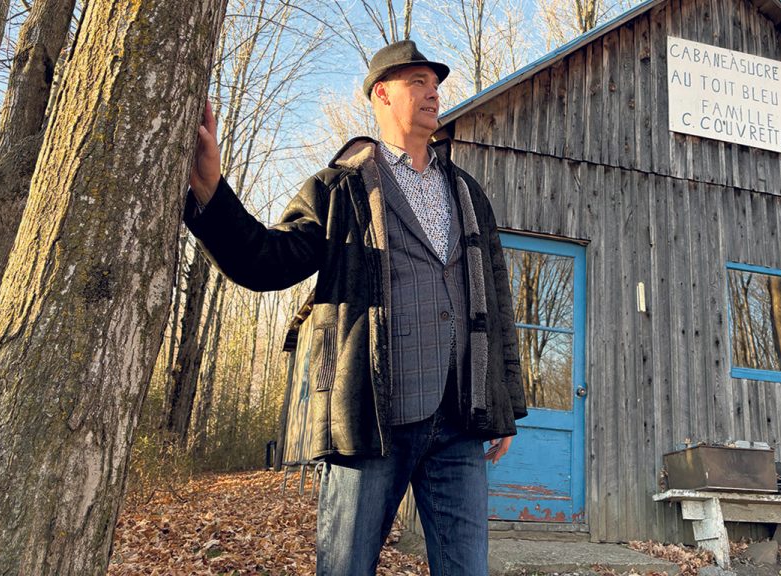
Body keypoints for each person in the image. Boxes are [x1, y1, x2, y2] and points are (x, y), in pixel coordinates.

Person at [183, 40, 526, 576]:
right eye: (418, 82)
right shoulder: (340, 187)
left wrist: (504, 400)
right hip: (370, 414)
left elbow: (496, 301)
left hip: (459, 416)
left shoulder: (467, 192)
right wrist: (210, 192)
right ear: (382, 94)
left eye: (435, 83)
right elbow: (265, 261)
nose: (433, 92)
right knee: (345, 566)